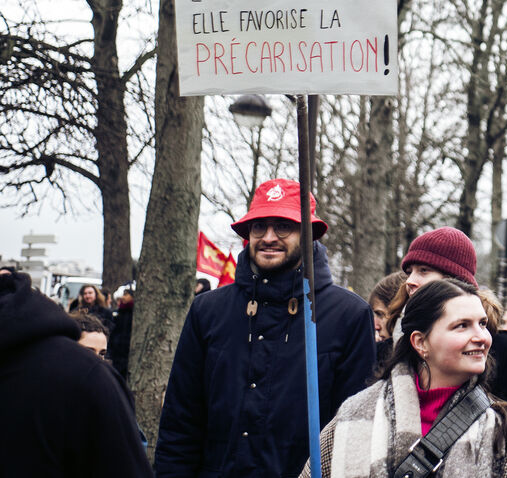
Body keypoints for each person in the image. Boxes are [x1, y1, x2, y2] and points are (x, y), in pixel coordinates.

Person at [155, 179, 376, 478]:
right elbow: (181, 422)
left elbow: (353, 436)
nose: (269, 237)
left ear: (308, 234)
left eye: (283, 227)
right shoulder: (207, 311)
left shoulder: (348, 316)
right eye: (259, 227)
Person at [310, 279, 507, 478]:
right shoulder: (355, 414)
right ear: (420, 343)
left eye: (482, 324)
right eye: (462, 326)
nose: (482, 337)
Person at [0, 271, 152, 476]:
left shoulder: (94, 379)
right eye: (89, 351)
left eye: (102, 353)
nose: (97, 358)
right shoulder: (82, 378)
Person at [387, 226, 507, 412]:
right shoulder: (392, 340)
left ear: (453, 280)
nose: (410, 281)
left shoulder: (502, 349)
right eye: (409, 272)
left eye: (423, 270)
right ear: (418, 342)